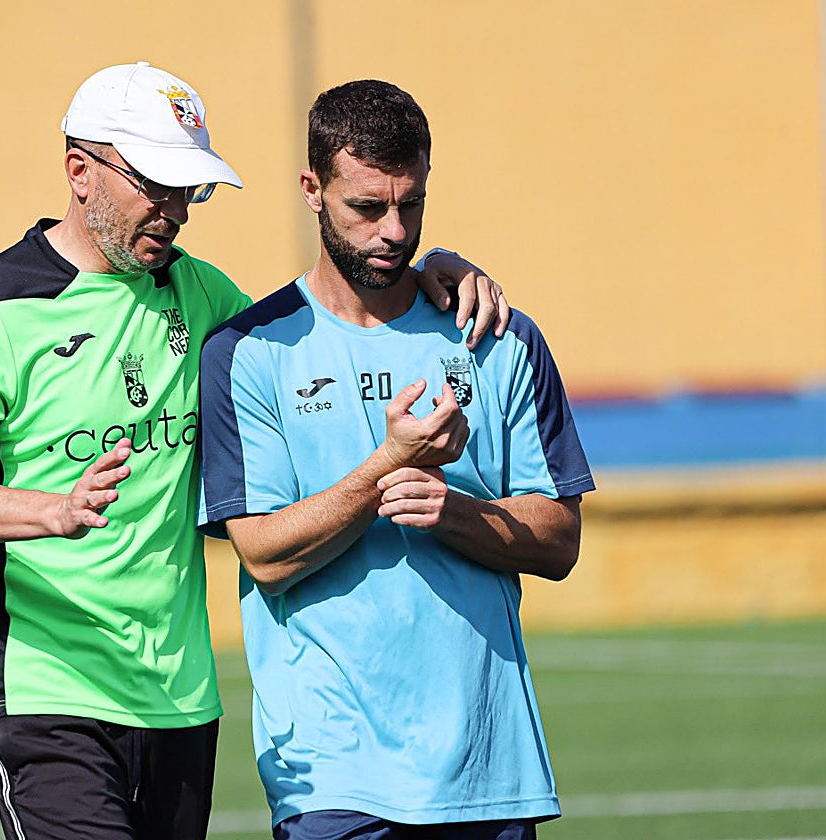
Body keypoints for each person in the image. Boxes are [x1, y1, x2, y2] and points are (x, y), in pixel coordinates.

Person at [0, 61, 509, 840]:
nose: (175, 210)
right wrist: (48, 510)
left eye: (189, 188)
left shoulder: (206, 297)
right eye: (155, 183)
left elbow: (319, 329)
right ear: (79, 172)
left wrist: (428, 273)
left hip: (181, 699)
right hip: (46, 690)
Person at [198, 79, 595, 840]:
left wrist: (453, 511)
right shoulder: (248, 352)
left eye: (410, 205)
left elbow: (559, 540)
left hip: (489, 771)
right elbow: (267, 556)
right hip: (332, 775)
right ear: (312, 191)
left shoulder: (499, 338)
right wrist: (388, 466)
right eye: (367, 208)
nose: (393, 229)